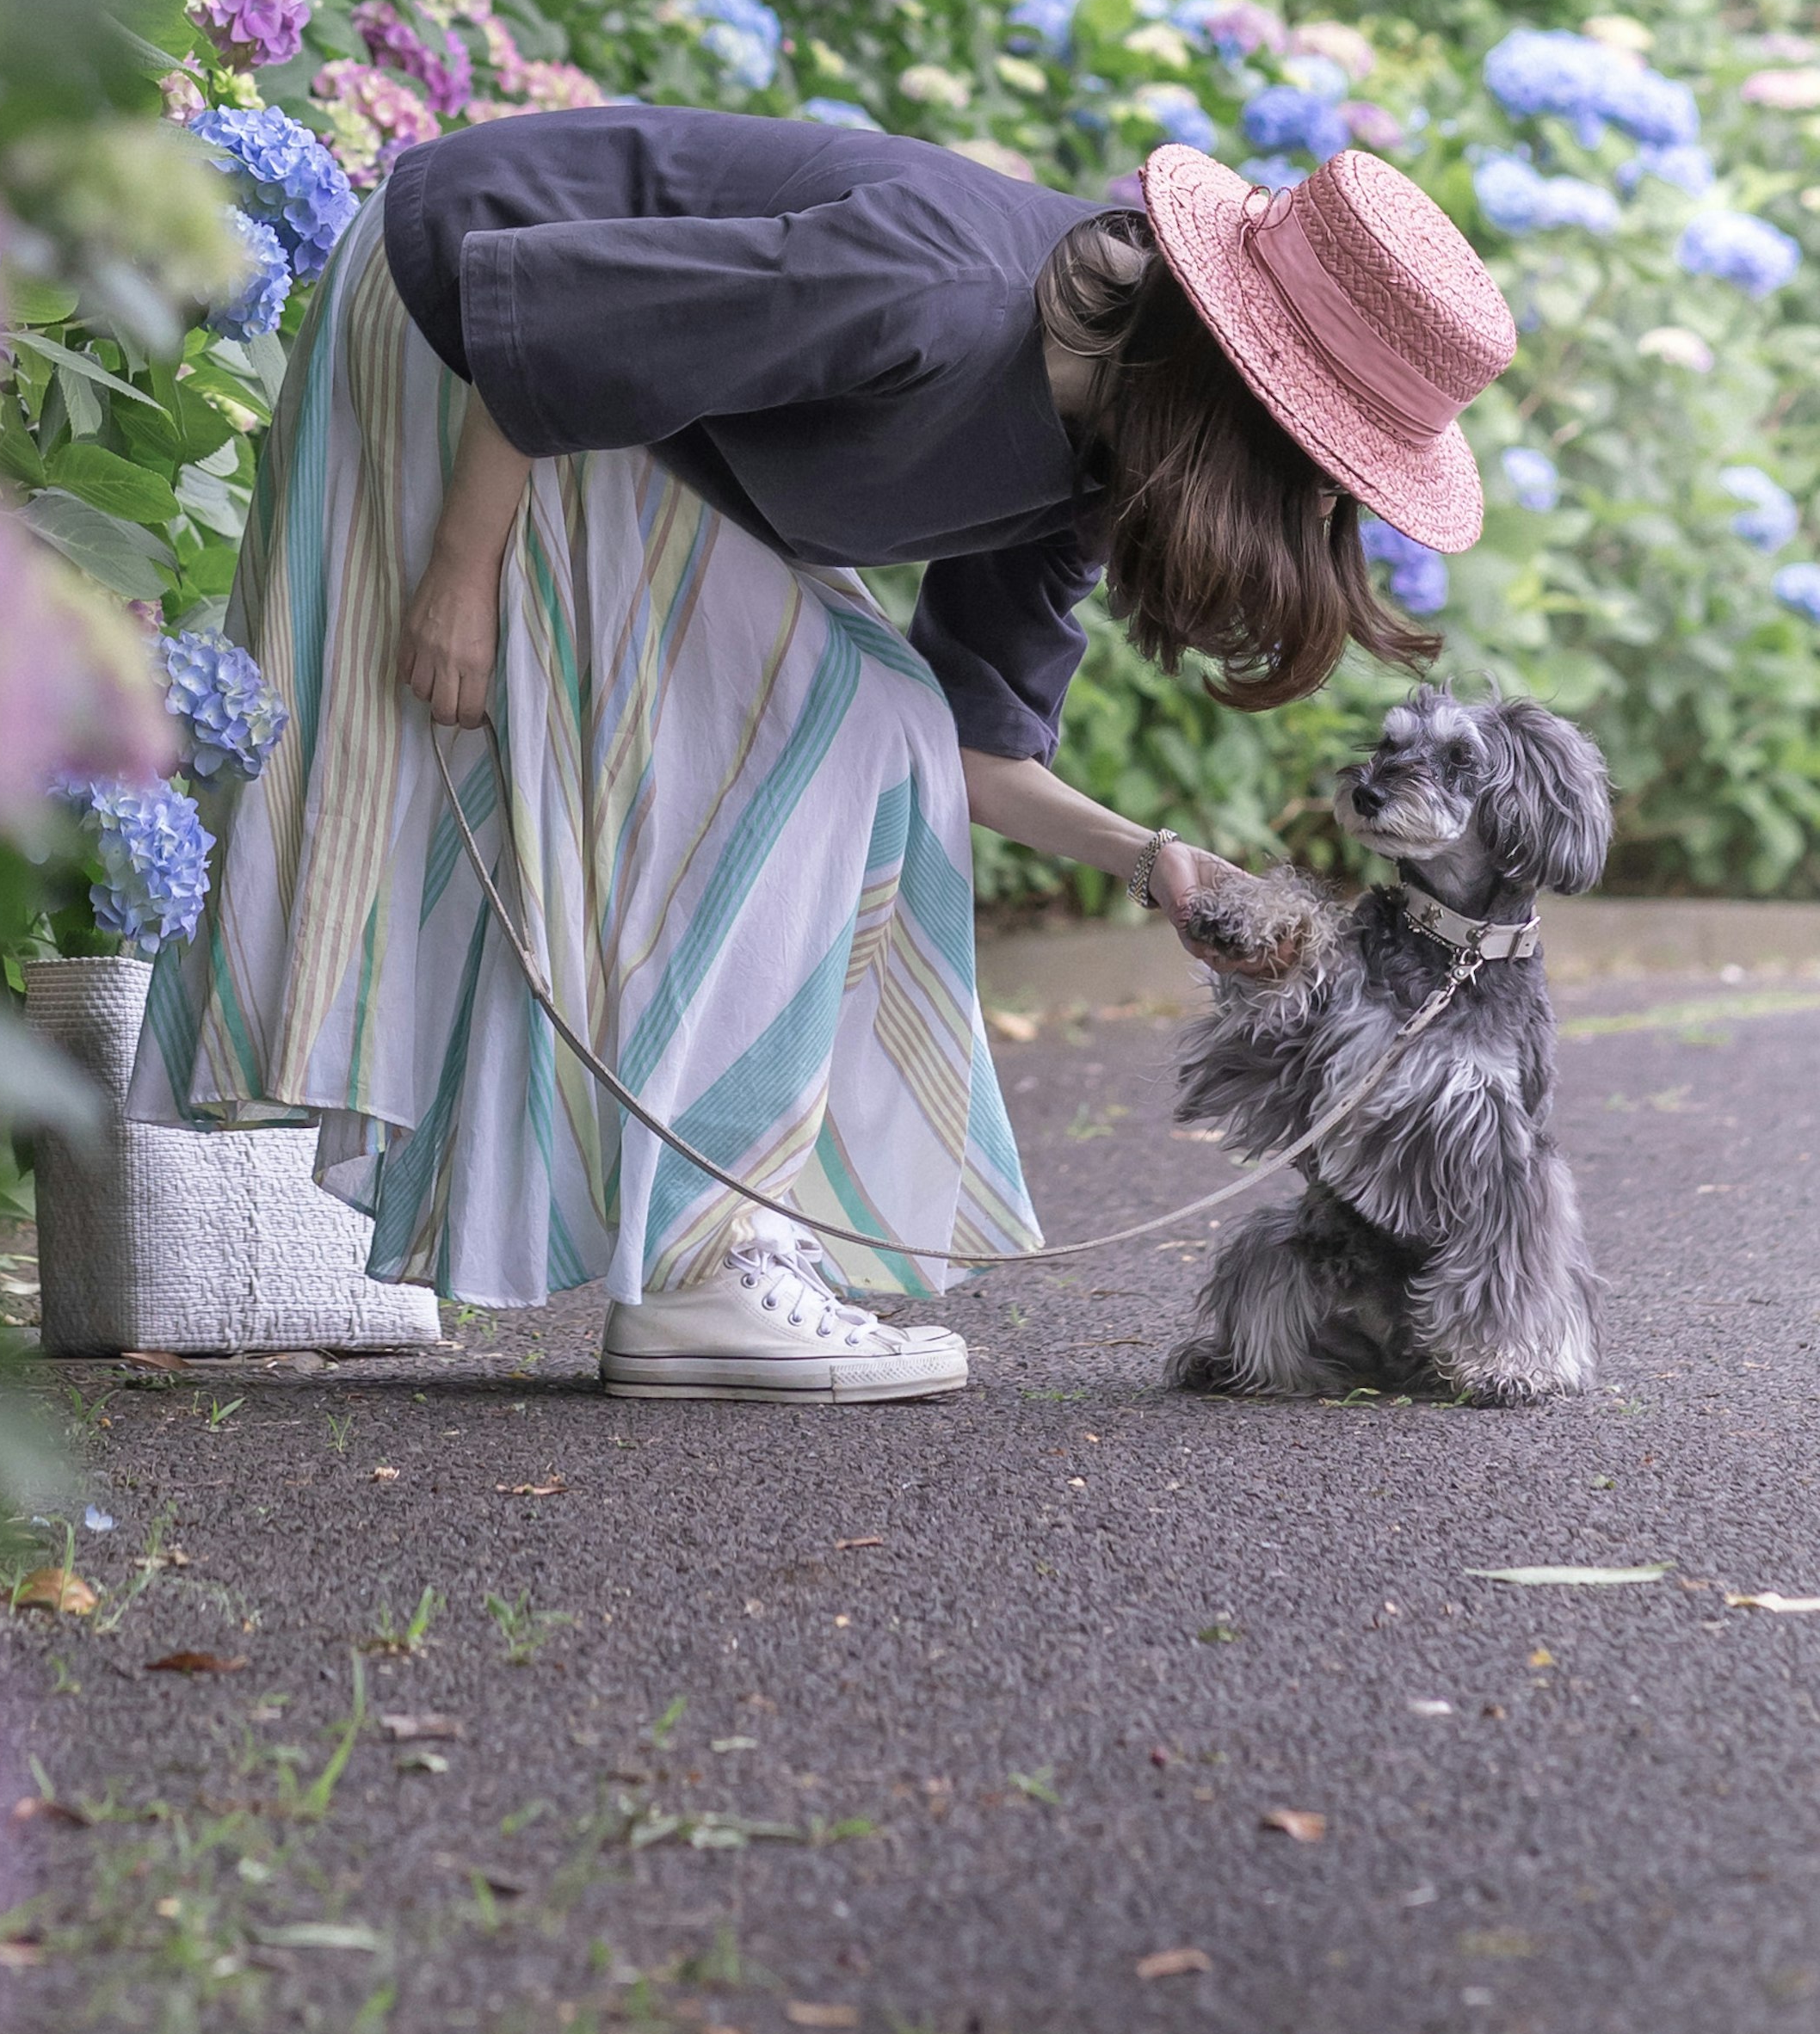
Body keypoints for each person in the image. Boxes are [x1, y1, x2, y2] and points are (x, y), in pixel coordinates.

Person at [132, 108, 1518, 1402]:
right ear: (1245, 399)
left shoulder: (1106, 444)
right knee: (837, 710)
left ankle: (724, 1239)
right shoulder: (930, 290)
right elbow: (550, 329)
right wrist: (459, 572)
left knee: (875, 715)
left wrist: (1154, 866)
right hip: (462, 332)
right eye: (1320, 467)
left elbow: (964, 739)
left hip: (599, 409)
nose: (1314, 509)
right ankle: (693, 1273)